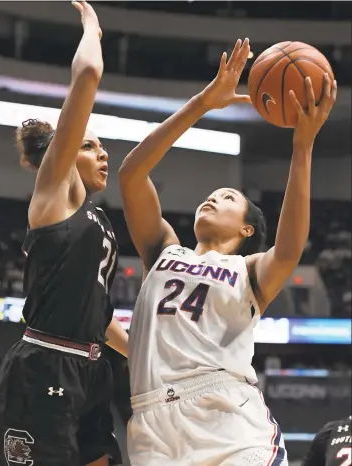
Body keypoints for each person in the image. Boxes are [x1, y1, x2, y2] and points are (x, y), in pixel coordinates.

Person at [119, 38, 337, 466]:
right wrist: (202, 103)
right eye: (212, 194)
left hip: (227, 415)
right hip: (151, 423)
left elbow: (290, 249)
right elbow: (131, 175)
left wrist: (302, 146)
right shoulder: (161, 249)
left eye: (227, 197)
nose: (213, 198)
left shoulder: (249, 270)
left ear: (247, 227)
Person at [0, 3, 128, 466]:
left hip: (91, 366)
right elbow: (88, 72)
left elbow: (95, 311)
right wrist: (93, 26)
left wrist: (153, 357)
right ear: (65, 153)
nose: (103, 154)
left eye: (103, 146)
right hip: (44, 365)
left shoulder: (98, 219)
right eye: (89, 146)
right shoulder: (55, 193)